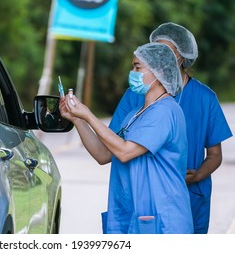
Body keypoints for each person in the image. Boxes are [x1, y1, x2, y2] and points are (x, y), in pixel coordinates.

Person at [109, 22, 233, 234]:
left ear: (181, 57)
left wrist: (196, 176)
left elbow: (215, 154)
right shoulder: (135, 96)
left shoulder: (204, 99)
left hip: (191, 194)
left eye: (166, 51)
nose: (158, 55)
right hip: (143, 197)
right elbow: (113, 146)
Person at [60, 42, 193, 234]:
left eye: (138, 67)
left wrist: (89, 114)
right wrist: (77, 119)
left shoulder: (165, 111)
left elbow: (125, 151)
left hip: (162, 219)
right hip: (131, 214)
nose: (133, 72)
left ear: (159, 72)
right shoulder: (135, 114)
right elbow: (103, 154)